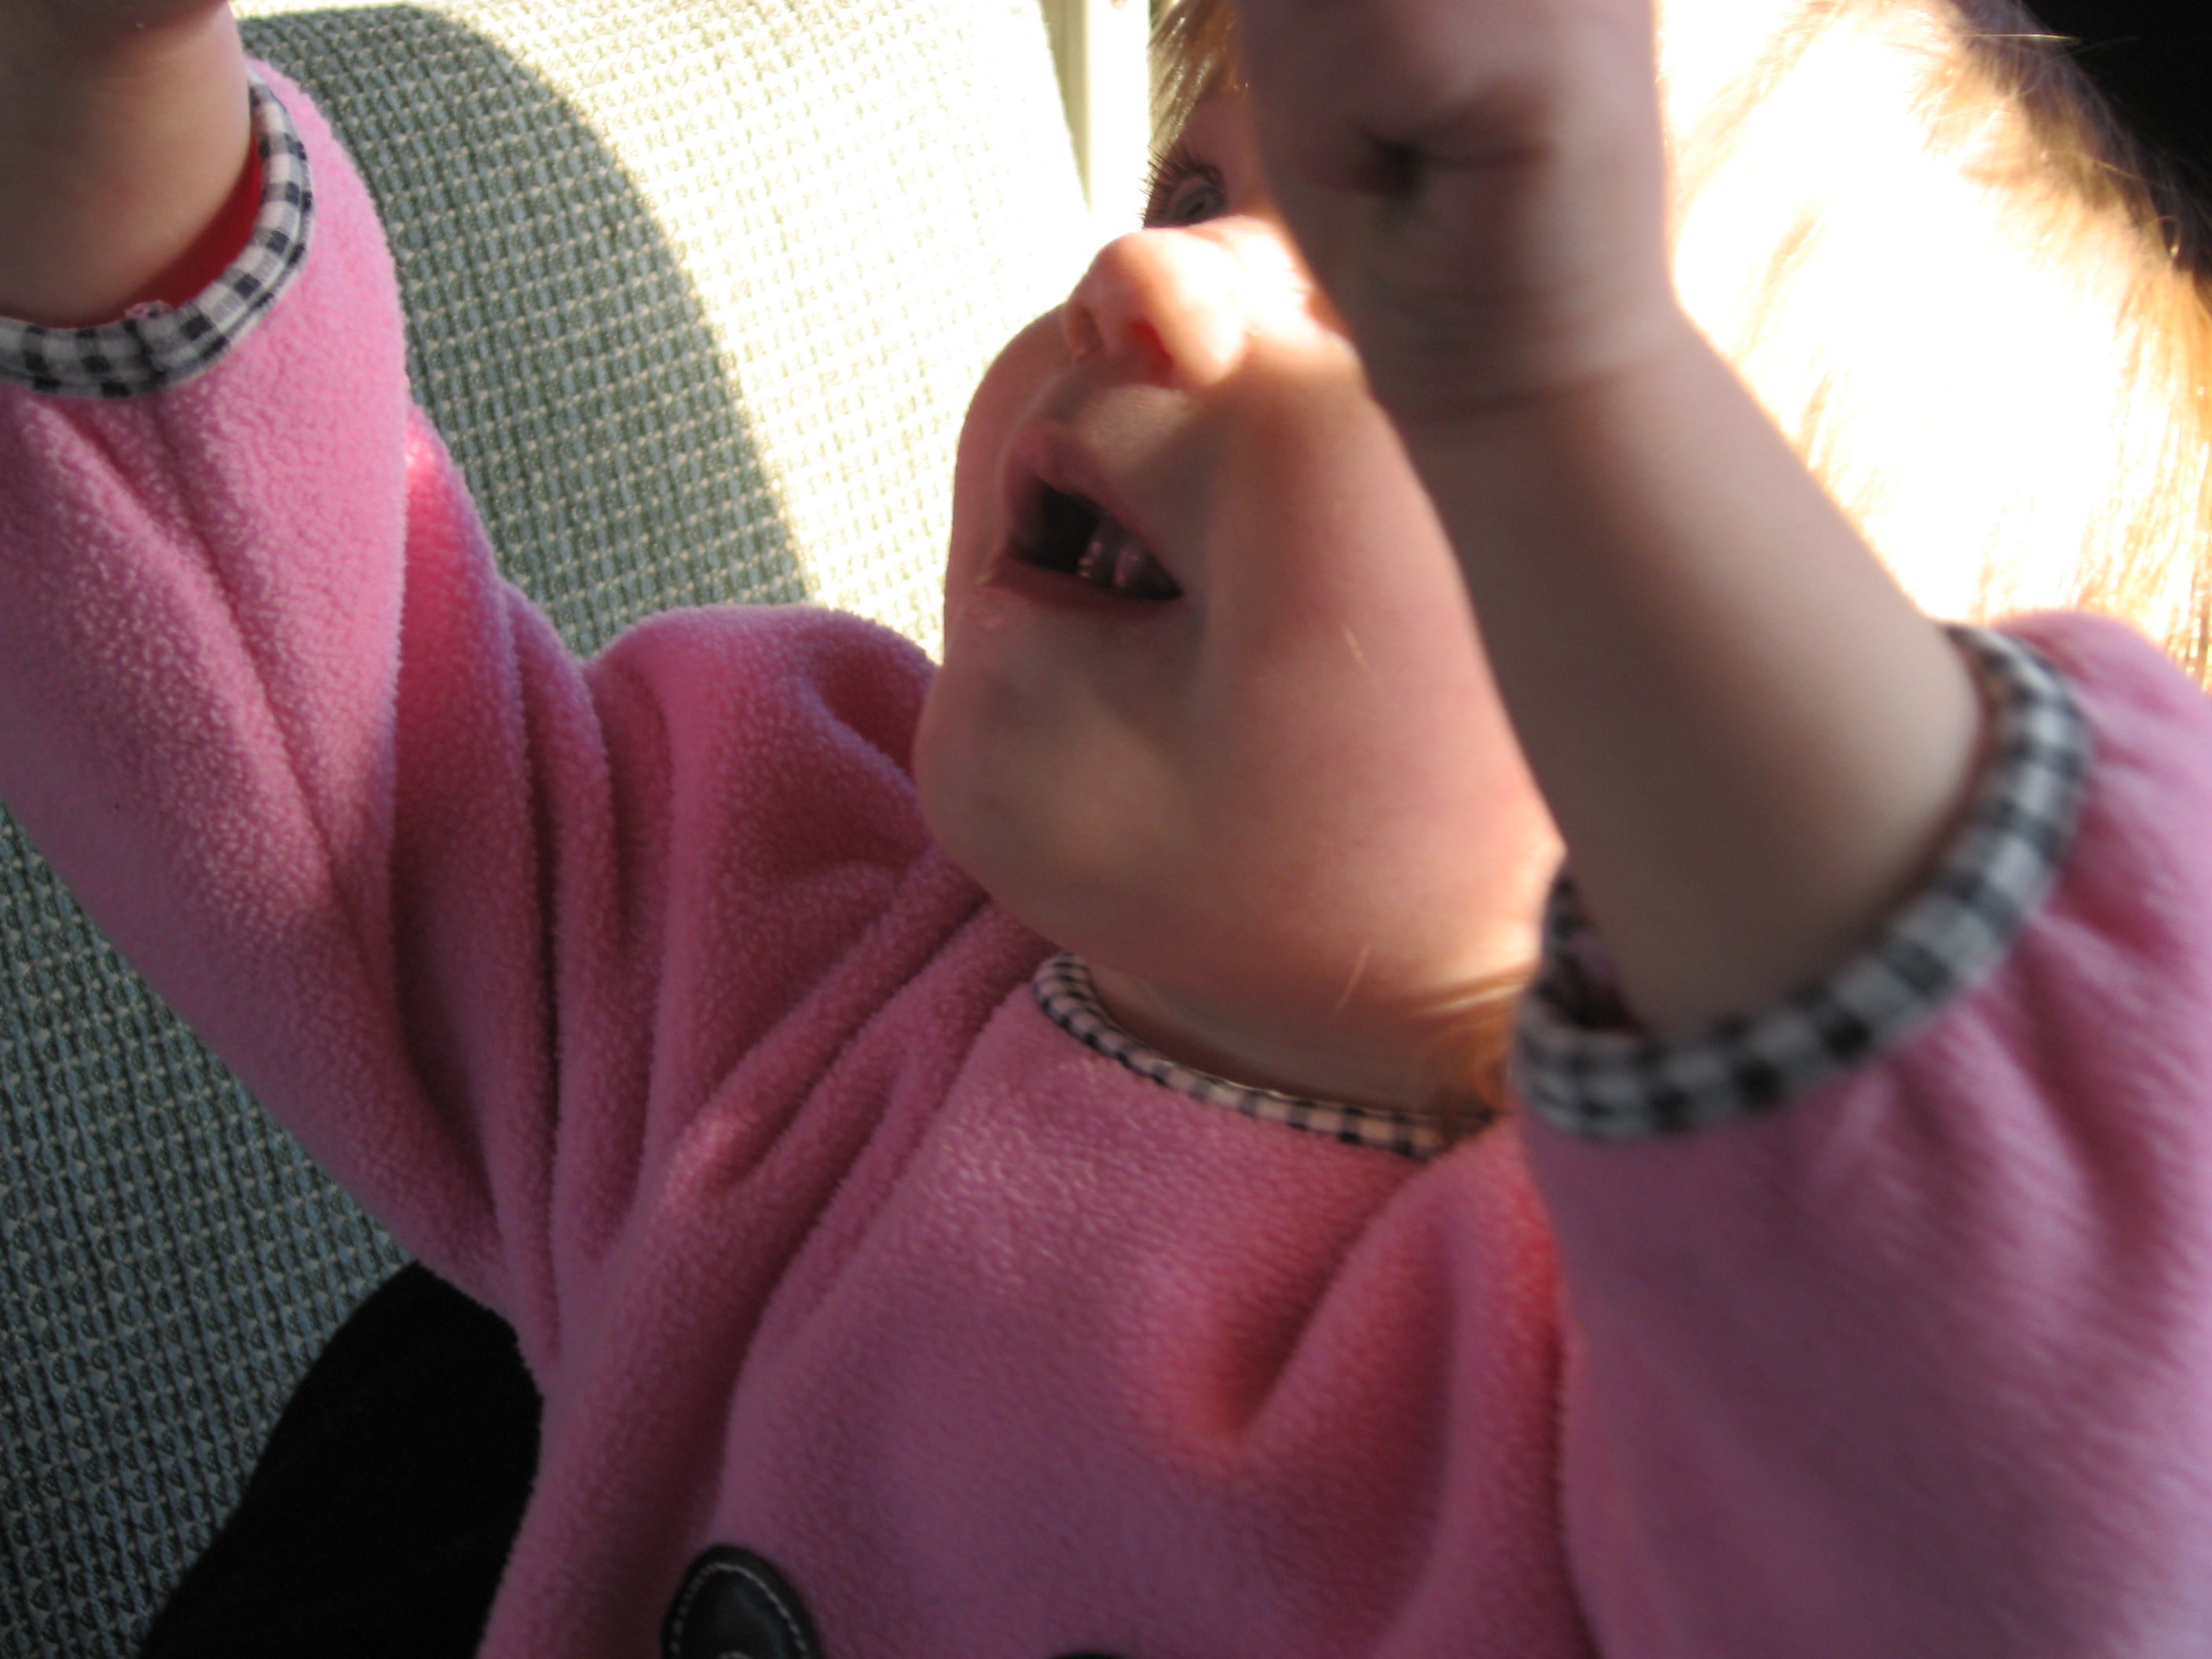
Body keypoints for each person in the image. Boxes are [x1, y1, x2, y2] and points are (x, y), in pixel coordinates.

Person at [4, 0, 2211, 1653]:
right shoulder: (776, 972)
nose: (1150, 283)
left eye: (1417, 316)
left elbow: (2037, 1426)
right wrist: (101, 86)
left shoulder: (1687, 1459)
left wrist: (1558, 376)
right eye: (1197, 192)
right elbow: (309, 721)